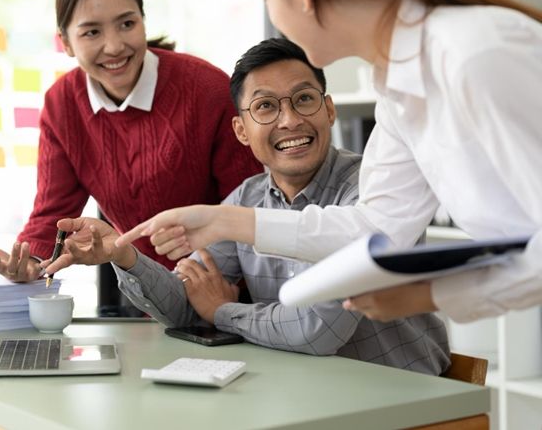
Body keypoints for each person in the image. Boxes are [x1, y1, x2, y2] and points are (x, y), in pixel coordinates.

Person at [116, 0, 542, 324]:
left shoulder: (473, 54)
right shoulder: (398, 84)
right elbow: (376, 227)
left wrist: (430, 293)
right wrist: (224, 220)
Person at [44, 38, 450, 375]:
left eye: (304, 99)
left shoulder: (374, 189)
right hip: (306, 395)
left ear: (329, 109)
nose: (289, 120)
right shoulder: (246, 197)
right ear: (241, 129)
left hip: (406, 403)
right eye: (266, 107)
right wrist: (124, 254)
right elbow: (187, 304)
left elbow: (316, 330)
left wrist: (224, 311)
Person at [0, 0, 261, 282]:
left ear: (143, 20)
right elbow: (53, 213)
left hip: (231, 289)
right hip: (149, 295)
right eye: (91, 33)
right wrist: (29, 260)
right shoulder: (62, 104)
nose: (114, 46)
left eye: (127, 24)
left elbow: (250, 207)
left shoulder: (206, 89)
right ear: (66, 43)